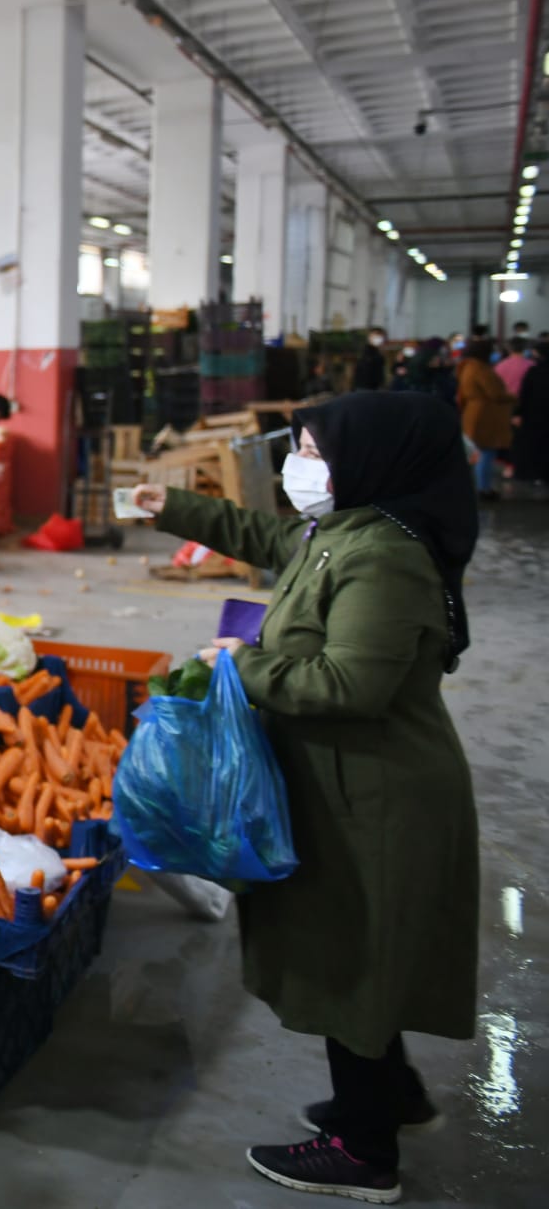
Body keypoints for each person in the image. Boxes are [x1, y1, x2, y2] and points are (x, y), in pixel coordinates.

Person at [130, 391, 478, 1206]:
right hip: (338, 781)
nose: (302, 465)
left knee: (349, 950)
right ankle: (389, 1093)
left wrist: (239, 662)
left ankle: (363, 1150)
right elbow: (271, 538)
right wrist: (171, 505)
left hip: (375, 794)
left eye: (315, 450)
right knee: (354, 947)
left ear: (372, 457)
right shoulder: (347, 529)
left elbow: (352, 684)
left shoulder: (385, 556)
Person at [454, 339, 514, 499]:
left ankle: (482, 487)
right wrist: (515, 398)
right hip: (486, 415)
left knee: (478, 452)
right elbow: (495, 393)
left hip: (474, 413)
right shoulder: (480, 369)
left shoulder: (467, 367)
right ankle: (484, 488)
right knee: (486, 453)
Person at [514, 347, 549, 485]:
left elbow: (524, 394)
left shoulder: (534, 371)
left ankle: (537, 474)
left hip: (534, 415)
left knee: (537, 446)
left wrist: (518, 412)